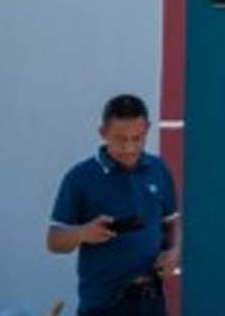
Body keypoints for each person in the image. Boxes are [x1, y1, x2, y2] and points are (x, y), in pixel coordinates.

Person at [46, 95, 182, 316]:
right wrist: (83, 233)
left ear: (147, 129)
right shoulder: (80, 177)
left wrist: (175, 251)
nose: (129, 148)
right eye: (120, 139)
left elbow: (172, 223)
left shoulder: (158, 169)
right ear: (103, 132)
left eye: (137, 138)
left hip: (151, 301)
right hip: (103, 304)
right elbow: (53, 241)